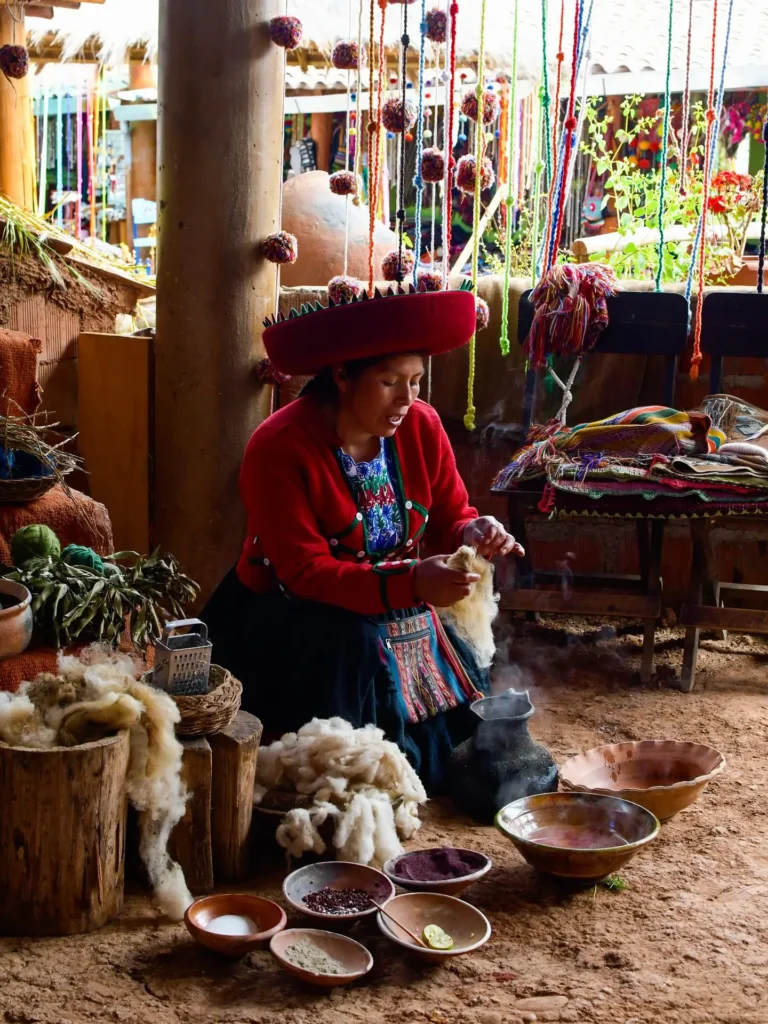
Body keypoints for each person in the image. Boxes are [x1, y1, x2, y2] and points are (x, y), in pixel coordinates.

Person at [203, 286, 523, 793]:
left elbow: (450, 514)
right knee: (352, 645)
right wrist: (412, 584)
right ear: (342, 376)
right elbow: (304, 573)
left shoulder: (421, 426)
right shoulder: (279, 448)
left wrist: (473, 531)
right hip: (294, 618)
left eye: (416, 381)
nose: (406, 399)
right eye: (390, 381)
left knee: (471, 737)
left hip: (393, 600)